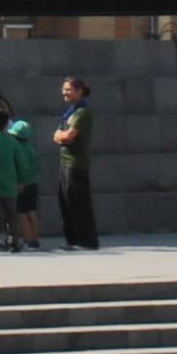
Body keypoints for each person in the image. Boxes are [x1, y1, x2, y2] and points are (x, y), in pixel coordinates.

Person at [54, 74, 100, 251]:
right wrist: (60, 137)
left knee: (78, 202)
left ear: (79, 91)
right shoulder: (70, 112)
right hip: (65, 161)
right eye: (64, 89)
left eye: (69, 89)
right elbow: (57, 135)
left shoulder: (82, 113)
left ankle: (86, 240)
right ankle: (72, 239)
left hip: (76, 162)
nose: (65, 92)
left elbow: (67, 136)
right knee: (65, 202)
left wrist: (61, 137)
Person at [0, 99, 40, 250]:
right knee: (32, 213)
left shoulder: (15, 146)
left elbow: (19, 165)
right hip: (33, 183)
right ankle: (34, 239)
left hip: (20, 184)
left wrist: (20, 181)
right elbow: (37, 167)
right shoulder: (32, 149)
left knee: (21, 214)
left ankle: (25, 240)